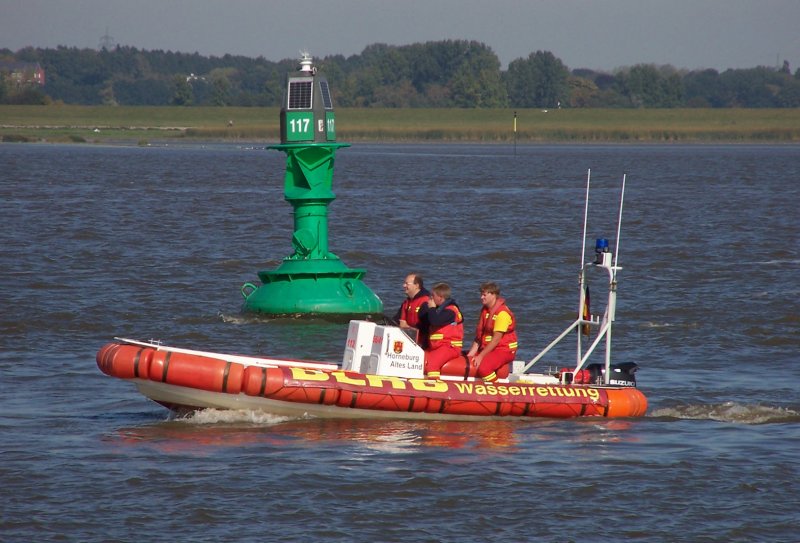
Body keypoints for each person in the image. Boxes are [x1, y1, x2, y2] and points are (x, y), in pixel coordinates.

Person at [466, 281, 518, 382]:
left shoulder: (502, 314)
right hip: (489, 347)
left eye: (484, 295)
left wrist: (480, 356)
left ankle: (499, 390)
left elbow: (496, 339)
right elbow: (479, 336)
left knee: (484, 368)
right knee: (463, 356)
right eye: (481, 294)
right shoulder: (485, 311)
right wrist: (470, 355)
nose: (481, 297)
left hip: (504, 349)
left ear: (493, 295)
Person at [419, 282, 463, 379]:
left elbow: (435, 321)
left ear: (440, 297)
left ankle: (433, 388)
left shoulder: (451, 311)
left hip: (449, 346)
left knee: (432, 365)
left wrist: (432, 308)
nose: (430, 299)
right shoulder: (439, 311)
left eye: (433, 296)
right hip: (437, 346)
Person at [393, 273, 430, 346]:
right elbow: (396, 320)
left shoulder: (425, 302)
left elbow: (427, 328)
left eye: (407, 284)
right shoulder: (406, 302)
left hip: (421, 344)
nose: (404, 286)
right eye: (404, 283)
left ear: (416, 286)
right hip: (407, 339)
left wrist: (407, 328)